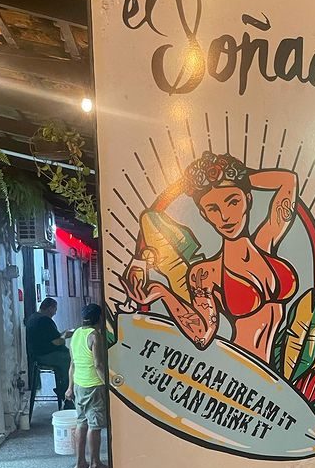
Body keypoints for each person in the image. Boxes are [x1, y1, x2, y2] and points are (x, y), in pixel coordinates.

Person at [122, 151, 299, 364]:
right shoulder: (206, 273)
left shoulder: (265, 242)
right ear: (204, 215)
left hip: (268, 373)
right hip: (242, 371)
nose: (225, 216)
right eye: (213, 209)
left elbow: (287, 181)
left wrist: (237, 177)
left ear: (248, 198)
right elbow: (202, 335)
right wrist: (162, 292)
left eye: (233, 202)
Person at [65, 304, 108, 468]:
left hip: (78, 386)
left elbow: (72, 364)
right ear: (99, 318)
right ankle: (95, 464)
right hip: (93, 386)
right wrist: (108, 386)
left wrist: (70, 387)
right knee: (94, 426)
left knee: (81, 423)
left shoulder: (76, 334)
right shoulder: (94, 336)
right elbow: (98, 364)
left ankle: (80, 463)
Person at [25, 297, 74, 408]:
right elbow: (56, 342)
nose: (55, 313)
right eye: (54, 310)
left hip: (36, 355)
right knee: (70, 360)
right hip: (45, 355)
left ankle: (61, 388)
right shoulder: (45, 320)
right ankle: (66, 392)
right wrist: (66, 336)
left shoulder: (33, 317)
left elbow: (51, 337)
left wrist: (63, 334)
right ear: (50, 308)